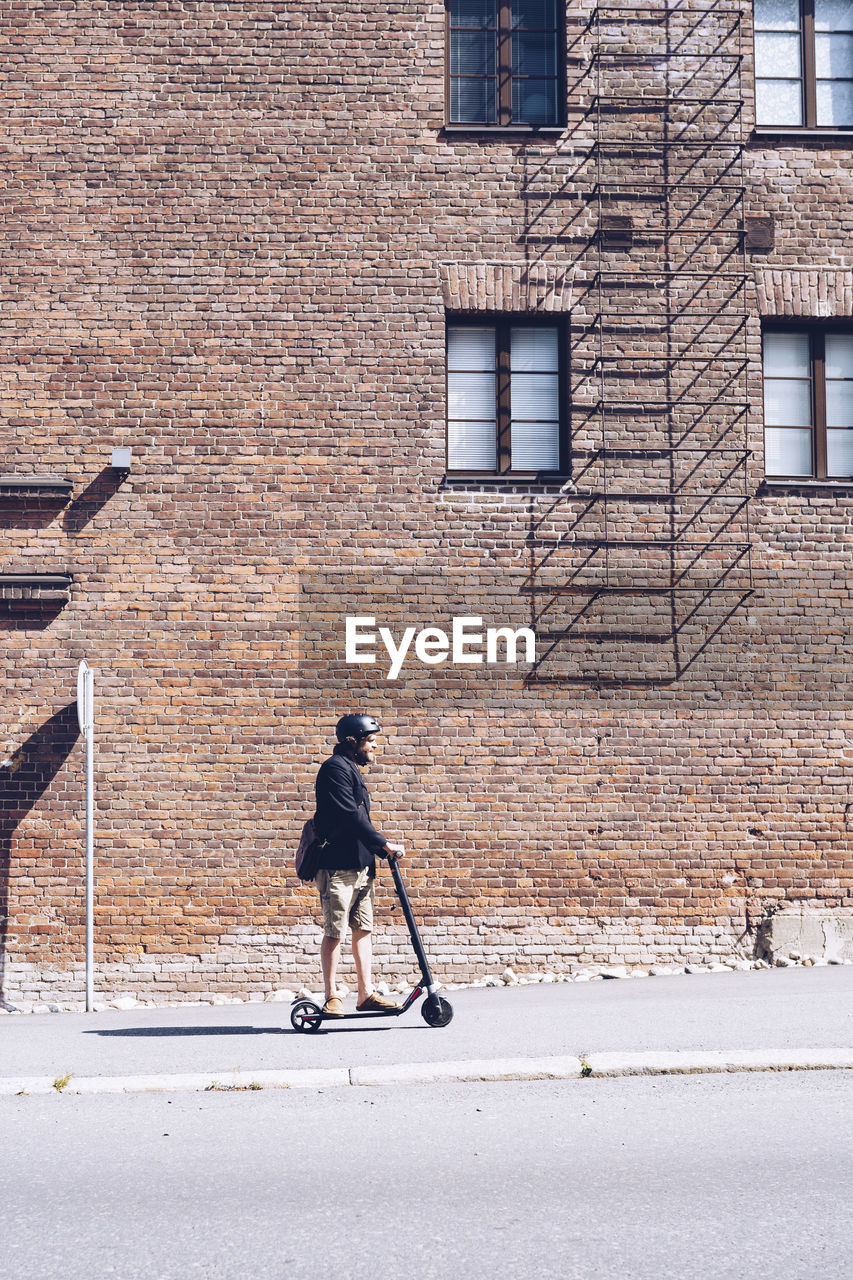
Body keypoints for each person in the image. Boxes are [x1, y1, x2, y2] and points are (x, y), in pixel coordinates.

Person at [313, 713, 405, 1017]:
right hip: (338, 867)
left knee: (363, 928)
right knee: (335, 930)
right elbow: (350, 817)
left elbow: (360, 819)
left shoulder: (352, 768)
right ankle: (331, 995)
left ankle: (366, 994)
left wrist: (377, 852)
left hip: (362, 865)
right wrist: (383, 843)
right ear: (354, 742)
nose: (375, 746)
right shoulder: (334, 770)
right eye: (371, 740)